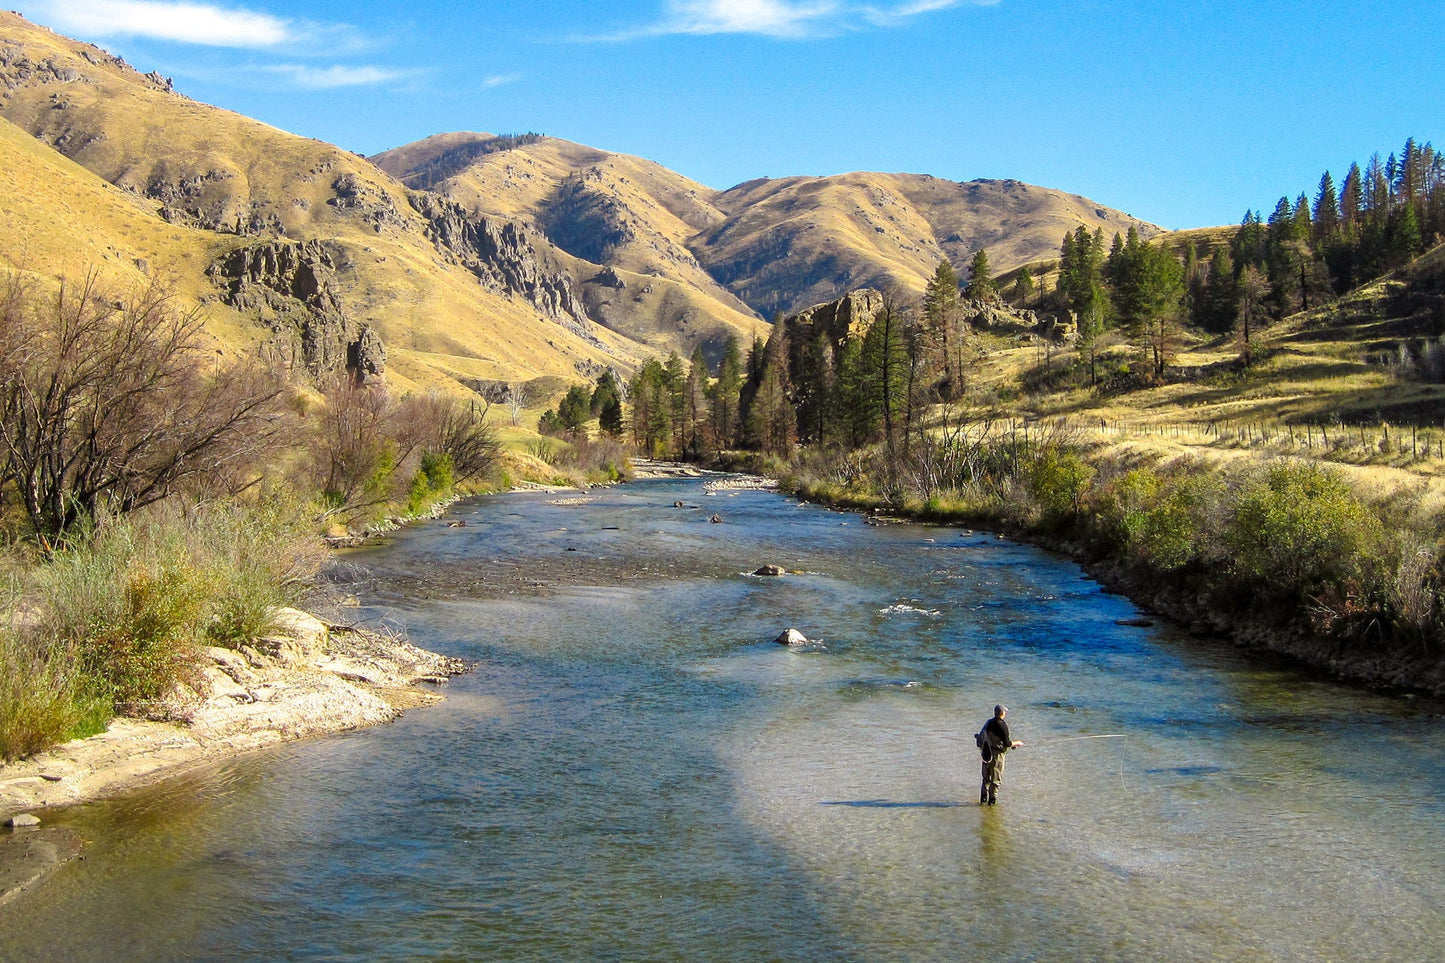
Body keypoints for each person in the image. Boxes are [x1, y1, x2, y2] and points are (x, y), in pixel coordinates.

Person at [977, 704, 1022, 805]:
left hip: (986, 754)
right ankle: (991, 804)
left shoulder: (989, 722)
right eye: (1005, 711)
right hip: (997, 755)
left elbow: (981, 737)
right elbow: (1007, 743)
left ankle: (983, 801)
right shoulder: (1002, 725)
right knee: (996, 780)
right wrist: (1016, 743)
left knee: (986, 779)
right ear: (1002, 713)